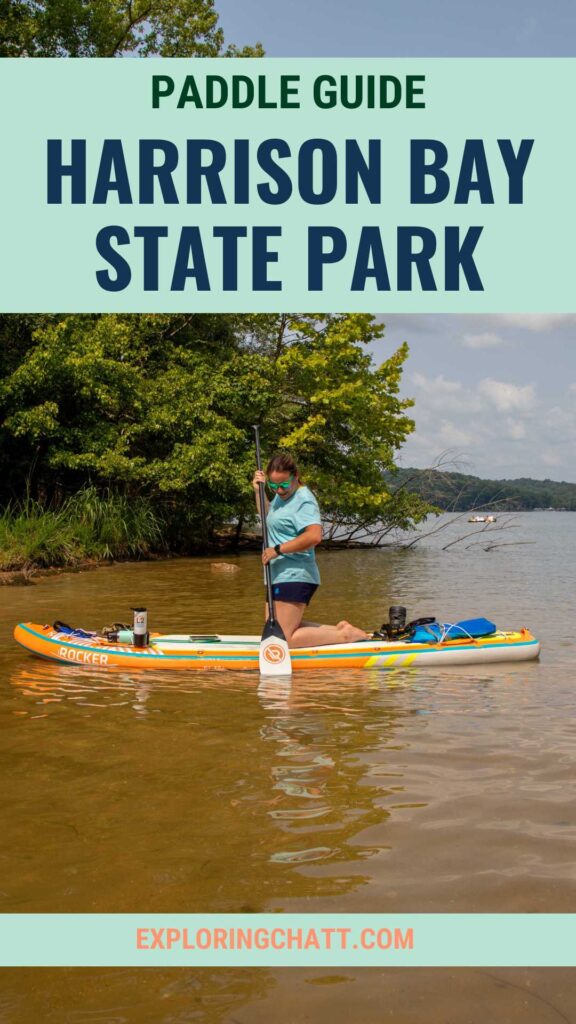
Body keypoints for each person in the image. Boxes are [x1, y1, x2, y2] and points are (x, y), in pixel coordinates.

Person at [252, 453, 368, 648]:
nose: (279, 490)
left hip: (296, 573)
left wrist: (277, 550)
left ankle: (345, 636)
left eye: (283, 485)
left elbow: (314, 536)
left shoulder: (303, 500)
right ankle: (340, 630)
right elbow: (267, 516)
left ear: (295, 476)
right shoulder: (283, 497)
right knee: (274, 629)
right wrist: (259, 491)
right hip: (278, 574)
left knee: (282, 639)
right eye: (273, 486)